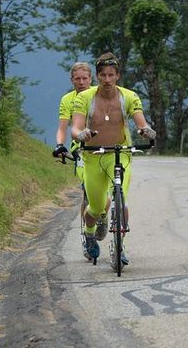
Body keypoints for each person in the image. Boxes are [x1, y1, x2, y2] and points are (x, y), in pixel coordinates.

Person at [71, 52, 155, 269]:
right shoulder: (85, 97)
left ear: (117, 76)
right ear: (97, 76)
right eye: (102, 75)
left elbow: (140, 121)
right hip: (93, 156)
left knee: (122, 198)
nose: (107, 79)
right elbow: (76, 126)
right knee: (97, 207)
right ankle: (89, 234)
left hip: (120, 153)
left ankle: (119, 246)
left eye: (111, 75)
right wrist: (81, 134)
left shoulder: (128, 96)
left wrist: (145, 130)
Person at [52, 62, 109, 259]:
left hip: (104, 148)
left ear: (91, 79)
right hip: (81, 152)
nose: (82, 82)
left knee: (107, 196)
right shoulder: (67, 99)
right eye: (77, 79)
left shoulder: (100, 94)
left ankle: (102, 216)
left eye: (85, 78)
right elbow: (63, 127)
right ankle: (88, 236)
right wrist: (60, 144)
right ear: (72, 80)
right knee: (88, 194)